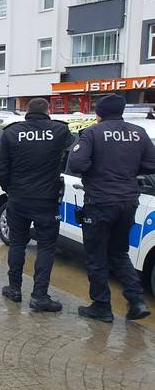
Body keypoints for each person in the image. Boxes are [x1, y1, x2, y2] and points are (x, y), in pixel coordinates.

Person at [69, 94, 155, 322]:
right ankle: (136, 301)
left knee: (97, 255)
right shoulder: (139, 132)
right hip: (128, 202)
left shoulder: (92, 133)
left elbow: (76, 164)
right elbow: (151, 164)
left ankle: (101, 306)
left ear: (100, 113)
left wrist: (96, 169)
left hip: (99, 202)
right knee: (119, 252)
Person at [0, 98, 74, 312]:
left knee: (17, 243)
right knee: (46, 247)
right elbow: (72, 152)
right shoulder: (59, 131)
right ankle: (39, 297)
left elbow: (0, 168)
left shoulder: (12, 133)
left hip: (18, 199)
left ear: (26, 112)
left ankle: (14, 289)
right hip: (47, 201)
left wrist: (11, 189)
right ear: (48, 112)